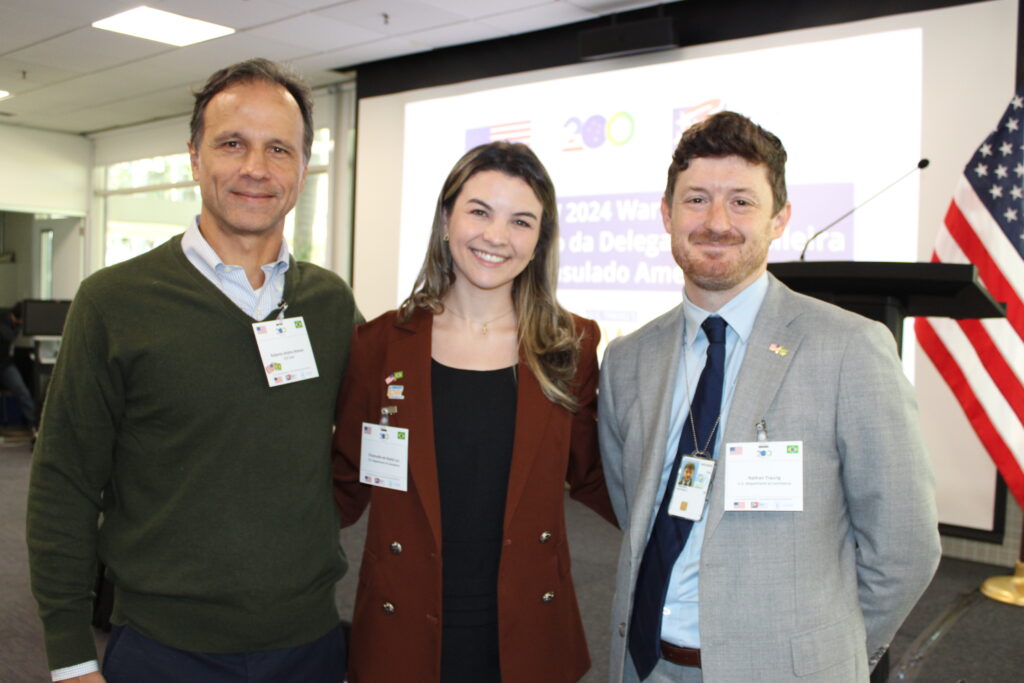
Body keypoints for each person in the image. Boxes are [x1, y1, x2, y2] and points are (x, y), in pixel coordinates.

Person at [27, 58, 362, 683]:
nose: (255, 168)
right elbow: (64, 481)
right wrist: (70, 655)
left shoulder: (332, 304)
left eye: (278, 149)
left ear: (303, 168)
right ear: (194, 156)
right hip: (163, 649)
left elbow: (376, 437)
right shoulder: (113, 302)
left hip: (309, 643)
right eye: (232, 143)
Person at [599, 111, 940, 683]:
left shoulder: (849, 348)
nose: (715, 222)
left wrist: (837, 653)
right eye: (696, 199)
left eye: (741, 202)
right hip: (644, 665)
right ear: (666, 213)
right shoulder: (629, 358)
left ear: (779, 219)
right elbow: (627, 501)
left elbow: (903, 545)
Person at [332, 141, 617, 682]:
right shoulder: (377, 346)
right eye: (479, 212)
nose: (496, 237)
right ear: (446, 219)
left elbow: (594, 477)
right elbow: (343, 485)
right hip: (403, 632)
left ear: (540, 241)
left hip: (528, 634)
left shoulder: (570, 345)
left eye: (521, 221)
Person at [0, 302, 37, 431]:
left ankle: (34, 424)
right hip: (4, 362)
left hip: (6, 365)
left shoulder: (15, 323)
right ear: (14, 317)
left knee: (22, 391)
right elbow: (7, 335)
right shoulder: (4, 323)